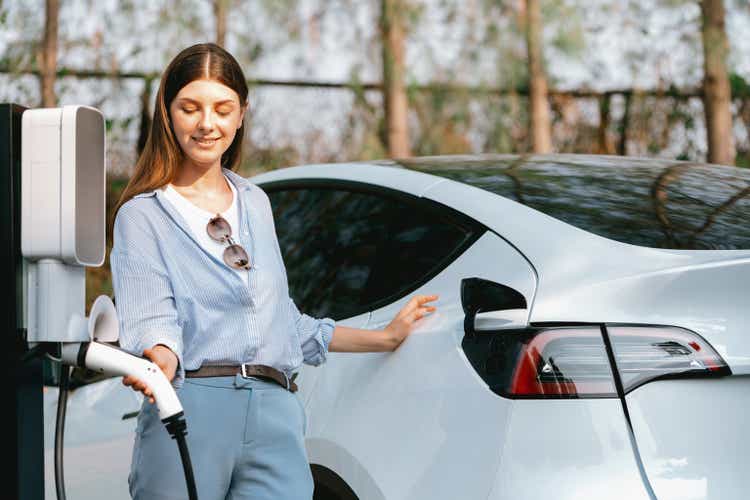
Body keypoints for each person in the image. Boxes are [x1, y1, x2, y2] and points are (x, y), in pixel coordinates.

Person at [109, 42, 438, 500]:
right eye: (190, 108)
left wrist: (384, 337)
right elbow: (152, 317)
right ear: (168, 113)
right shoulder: (142, 216)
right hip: (191, 403)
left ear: (241, 114)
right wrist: (160, 357)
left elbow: (280, 320)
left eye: (222, 109)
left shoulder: (256, 204)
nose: (207, 123)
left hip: (275, 409)